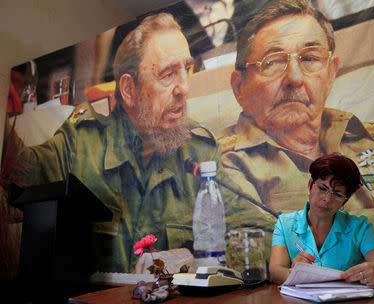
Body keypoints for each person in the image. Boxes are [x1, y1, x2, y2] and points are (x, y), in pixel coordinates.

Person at [8, 13, 275, 273]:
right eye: (168, 74)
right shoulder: (80, 145)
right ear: (129, 89)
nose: (184, 87)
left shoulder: (199, 151)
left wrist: (196, 259)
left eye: (187, 69)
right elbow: (14, 173)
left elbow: (266, 235)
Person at [218, 0, 374, 260]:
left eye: (310, 59)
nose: (294, 78)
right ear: (239, 87)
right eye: (272, 62)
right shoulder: (223, 164)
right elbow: (255, 251)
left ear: (331, 72)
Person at [269, 153, 374, 286]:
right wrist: (295, 273)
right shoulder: (285, 224)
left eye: (337, 194)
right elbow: (275, 272)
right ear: (310, 185)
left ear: (346, 199)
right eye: (322, 188)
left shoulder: (360, 228)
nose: (327, 199)